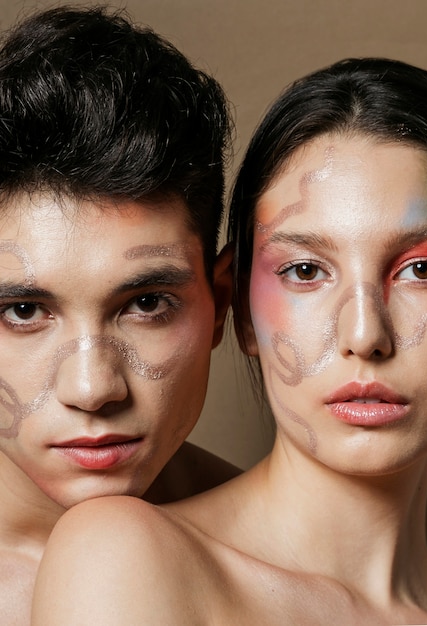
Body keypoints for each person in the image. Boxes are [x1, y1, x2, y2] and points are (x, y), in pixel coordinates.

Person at [32, 56, 427, 625]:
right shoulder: (127, 556)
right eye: (305, 270)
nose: (365, 335)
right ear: (243, 312)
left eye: (423, 271)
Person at [0, 5, 239, 624]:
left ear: (221, 305)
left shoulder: (279, 565)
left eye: (146, 304)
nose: (93, 388)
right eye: (24, 310)